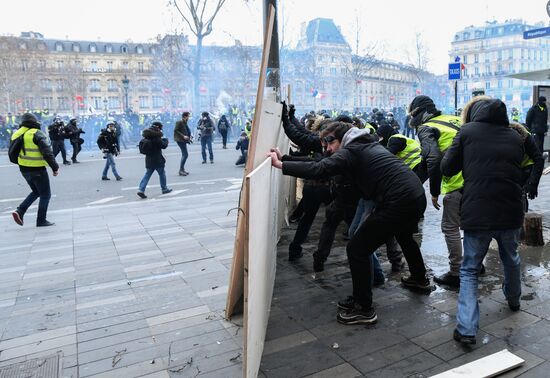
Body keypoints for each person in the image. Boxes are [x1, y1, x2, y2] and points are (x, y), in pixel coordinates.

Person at [270, 120, 430, 325]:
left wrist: (281, 164)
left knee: (357, 249)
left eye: (329, 142)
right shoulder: (365, 144)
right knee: (405, 237)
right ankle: (419, 278)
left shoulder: (351, 150)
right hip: (415, 196)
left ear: (342, 138)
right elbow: (321, 162)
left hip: (398, 201)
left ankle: (364, 308)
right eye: (324, 144)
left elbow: (321, 168)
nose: (326, 148)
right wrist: (286, 158)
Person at [441, 97, 525, 345]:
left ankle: (466, 329)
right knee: (511, 258)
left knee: (469, 269)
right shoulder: (514, 136)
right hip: (510, 209)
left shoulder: (467, 132)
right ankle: (514, 299)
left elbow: (447, 168)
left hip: (478, 211)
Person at [408, 95, 465, 288]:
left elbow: (432, 159)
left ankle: (456, 272)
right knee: (472, 226)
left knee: (450, 227)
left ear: (420, 113)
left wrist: (434, 192)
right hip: (479, 181)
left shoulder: (426, 128)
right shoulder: (454, 119)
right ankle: (473, 265)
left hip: (456, 184)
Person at [11, 113, 59, 227]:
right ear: (34, 121)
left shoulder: (16, 134)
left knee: (37, 191)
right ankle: (41, 220)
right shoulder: (36, 133)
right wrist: (55, 167)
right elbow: (47, 152)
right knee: (45, 194)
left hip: (23, 169)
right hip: (37, 169)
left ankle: (20, 211)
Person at [137, 121, 172, 199]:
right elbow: (163, 146)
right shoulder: (156, 136)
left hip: (149, 159)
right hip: (157, 159)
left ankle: (141, 189)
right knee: (162, 174)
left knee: (147, 175)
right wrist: (166, 140)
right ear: (158, 127)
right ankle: (164, 188)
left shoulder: (147, 135)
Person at [174, 112, 192, 176]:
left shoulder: (184, 122)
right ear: (185, 116)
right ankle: (181, 170)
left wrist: (189, 136)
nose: (189, 118)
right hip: (180, 140)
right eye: (188, 116)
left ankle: (182, 169)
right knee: (185, 155)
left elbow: (186, 130)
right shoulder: (179, 122)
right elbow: (176, 130)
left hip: (183, 140)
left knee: (185, 155)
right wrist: (183, 136)